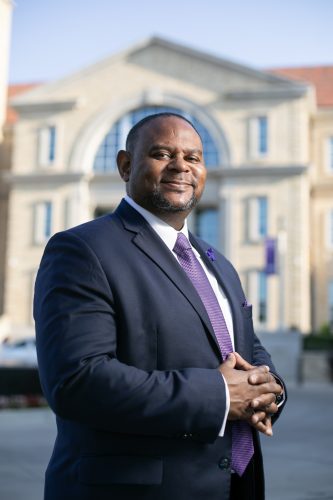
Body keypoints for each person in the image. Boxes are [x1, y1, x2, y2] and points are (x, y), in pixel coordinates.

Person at [34, 113, 286, 500]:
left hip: (236, 484)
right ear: (125, 165)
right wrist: (217, 395)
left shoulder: (218, 263)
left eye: (194, 157)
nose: (181, 166)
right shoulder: (82, 251)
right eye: (162, 153)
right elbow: (78, 381)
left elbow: (247, 351)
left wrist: (272, 391)